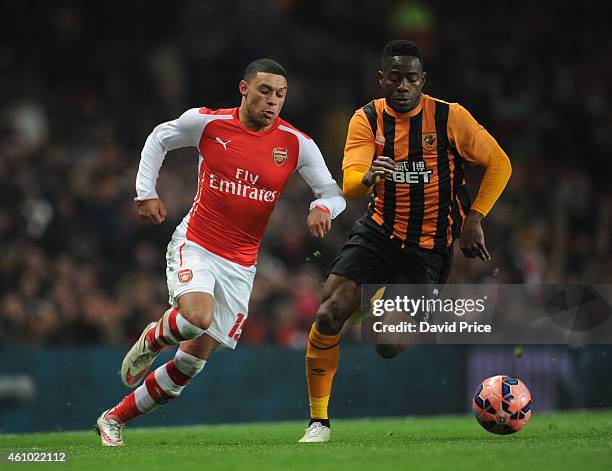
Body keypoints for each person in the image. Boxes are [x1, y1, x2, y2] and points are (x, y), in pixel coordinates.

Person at [95, 58, 346, 446]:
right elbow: (160, 136)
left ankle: (113, 419)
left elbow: (332, 192)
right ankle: (154, 338)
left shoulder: (297, 144)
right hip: (196, 244)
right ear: (244, 89)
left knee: (191, 363)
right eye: (264, 91)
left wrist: (322, 207)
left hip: (241, 265)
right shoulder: (209, 123)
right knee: (196, 316)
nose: (272, 102)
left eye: (280, 95)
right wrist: (145, 192)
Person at [299, 40, 512, 443]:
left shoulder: (450, 117)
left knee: (388, 343)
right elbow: (350, 185)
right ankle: (319, 422)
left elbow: (499, 162)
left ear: (422, 81)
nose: (402, 85)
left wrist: (476, 217)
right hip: (379, 231)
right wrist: (368, 177)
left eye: (411, 78)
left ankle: (392, 305)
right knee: (328, 313)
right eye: (394, 77)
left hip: (429, 248)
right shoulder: (366, 119)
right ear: (381, 78)